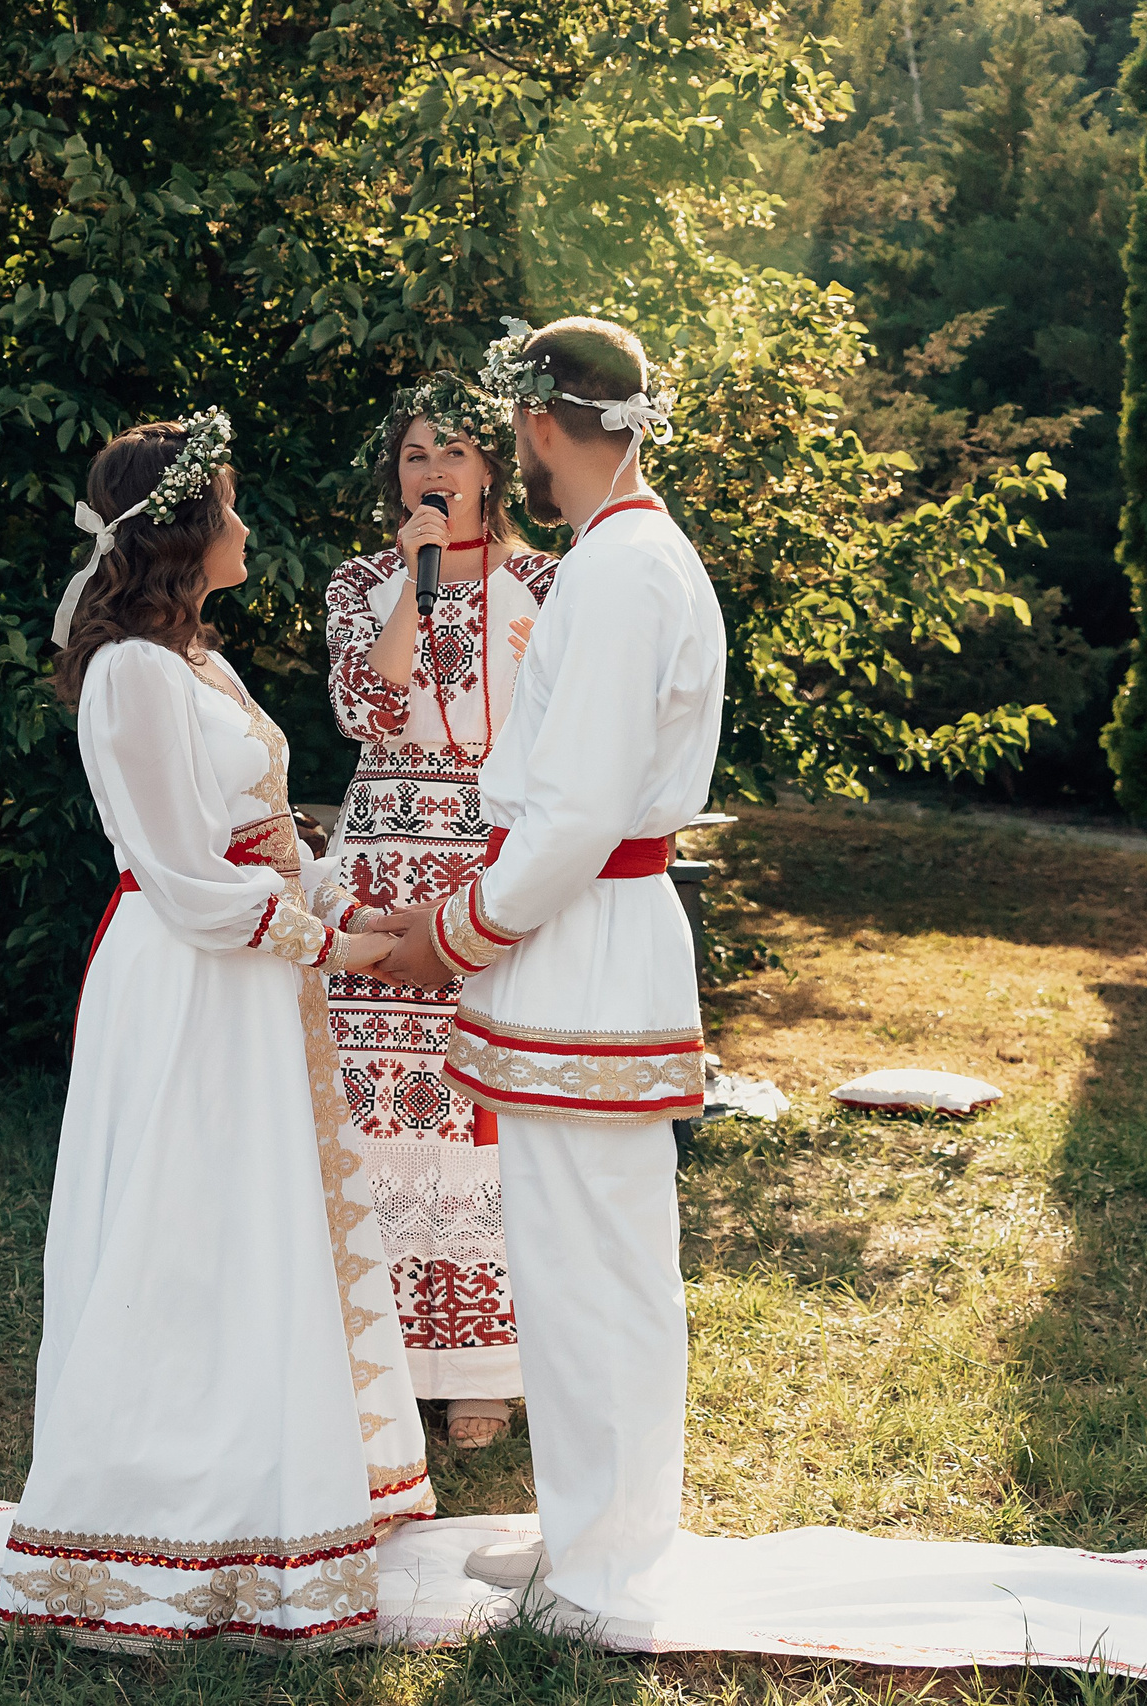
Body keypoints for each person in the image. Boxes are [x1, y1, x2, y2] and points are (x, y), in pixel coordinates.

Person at [0, 412, 435, 1654]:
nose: (246, 524)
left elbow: (264, 836)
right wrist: (328, 946)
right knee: (184, 1222)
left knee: (253, 1224)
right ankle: (156, 1517)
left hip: (251, 973)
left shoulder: (200, 663)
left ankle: (265, 1480)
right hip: (190, 978)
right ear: (186, 527)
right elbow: (181, 871)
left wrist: (345, 900)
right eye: (229, 506)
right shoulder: (131, 672)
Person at [368, 317, 723, 1627]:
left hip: (589, 935)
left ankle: (607, 1564)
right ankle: (586, 1527)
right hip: (575, 935)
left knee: (598, 1266)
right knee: (568, 1259)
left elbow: (575, 813)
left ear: (532, 424)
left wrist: (455, 930)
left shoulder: (623, 569)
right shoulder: (613, 554)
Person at [322, 374, 559, 1451]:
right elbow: (363, 709)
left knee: (476, 1102)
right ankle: (370, 1360)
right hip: (382, 855)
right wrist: (409, 596)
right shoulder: (361, 580)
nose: (434, 471)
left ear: (492, 469)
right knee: (375, 1104)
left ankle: (482, 1369)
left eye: (454, 451)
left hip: (490, 857)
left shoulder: (548, 582)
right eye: (416, 455)